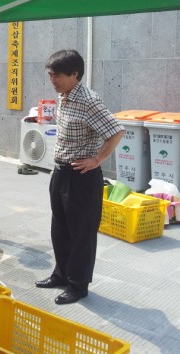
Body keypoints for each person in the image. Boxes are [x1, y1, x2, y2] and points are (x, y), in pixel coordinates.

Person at [36, 49, 124, 305]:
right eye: (50, 75)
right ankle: (61, 275)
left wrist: (97, 159)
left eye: (57, 75)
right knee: (60, 228)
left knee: (81, 233)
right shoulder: (64, 96)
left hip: (82, 177)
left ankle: (77, 285)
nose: (52, 80)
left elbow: (116, 131)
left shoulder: (88, 100)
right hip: (61, 172)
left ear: (74, 74)